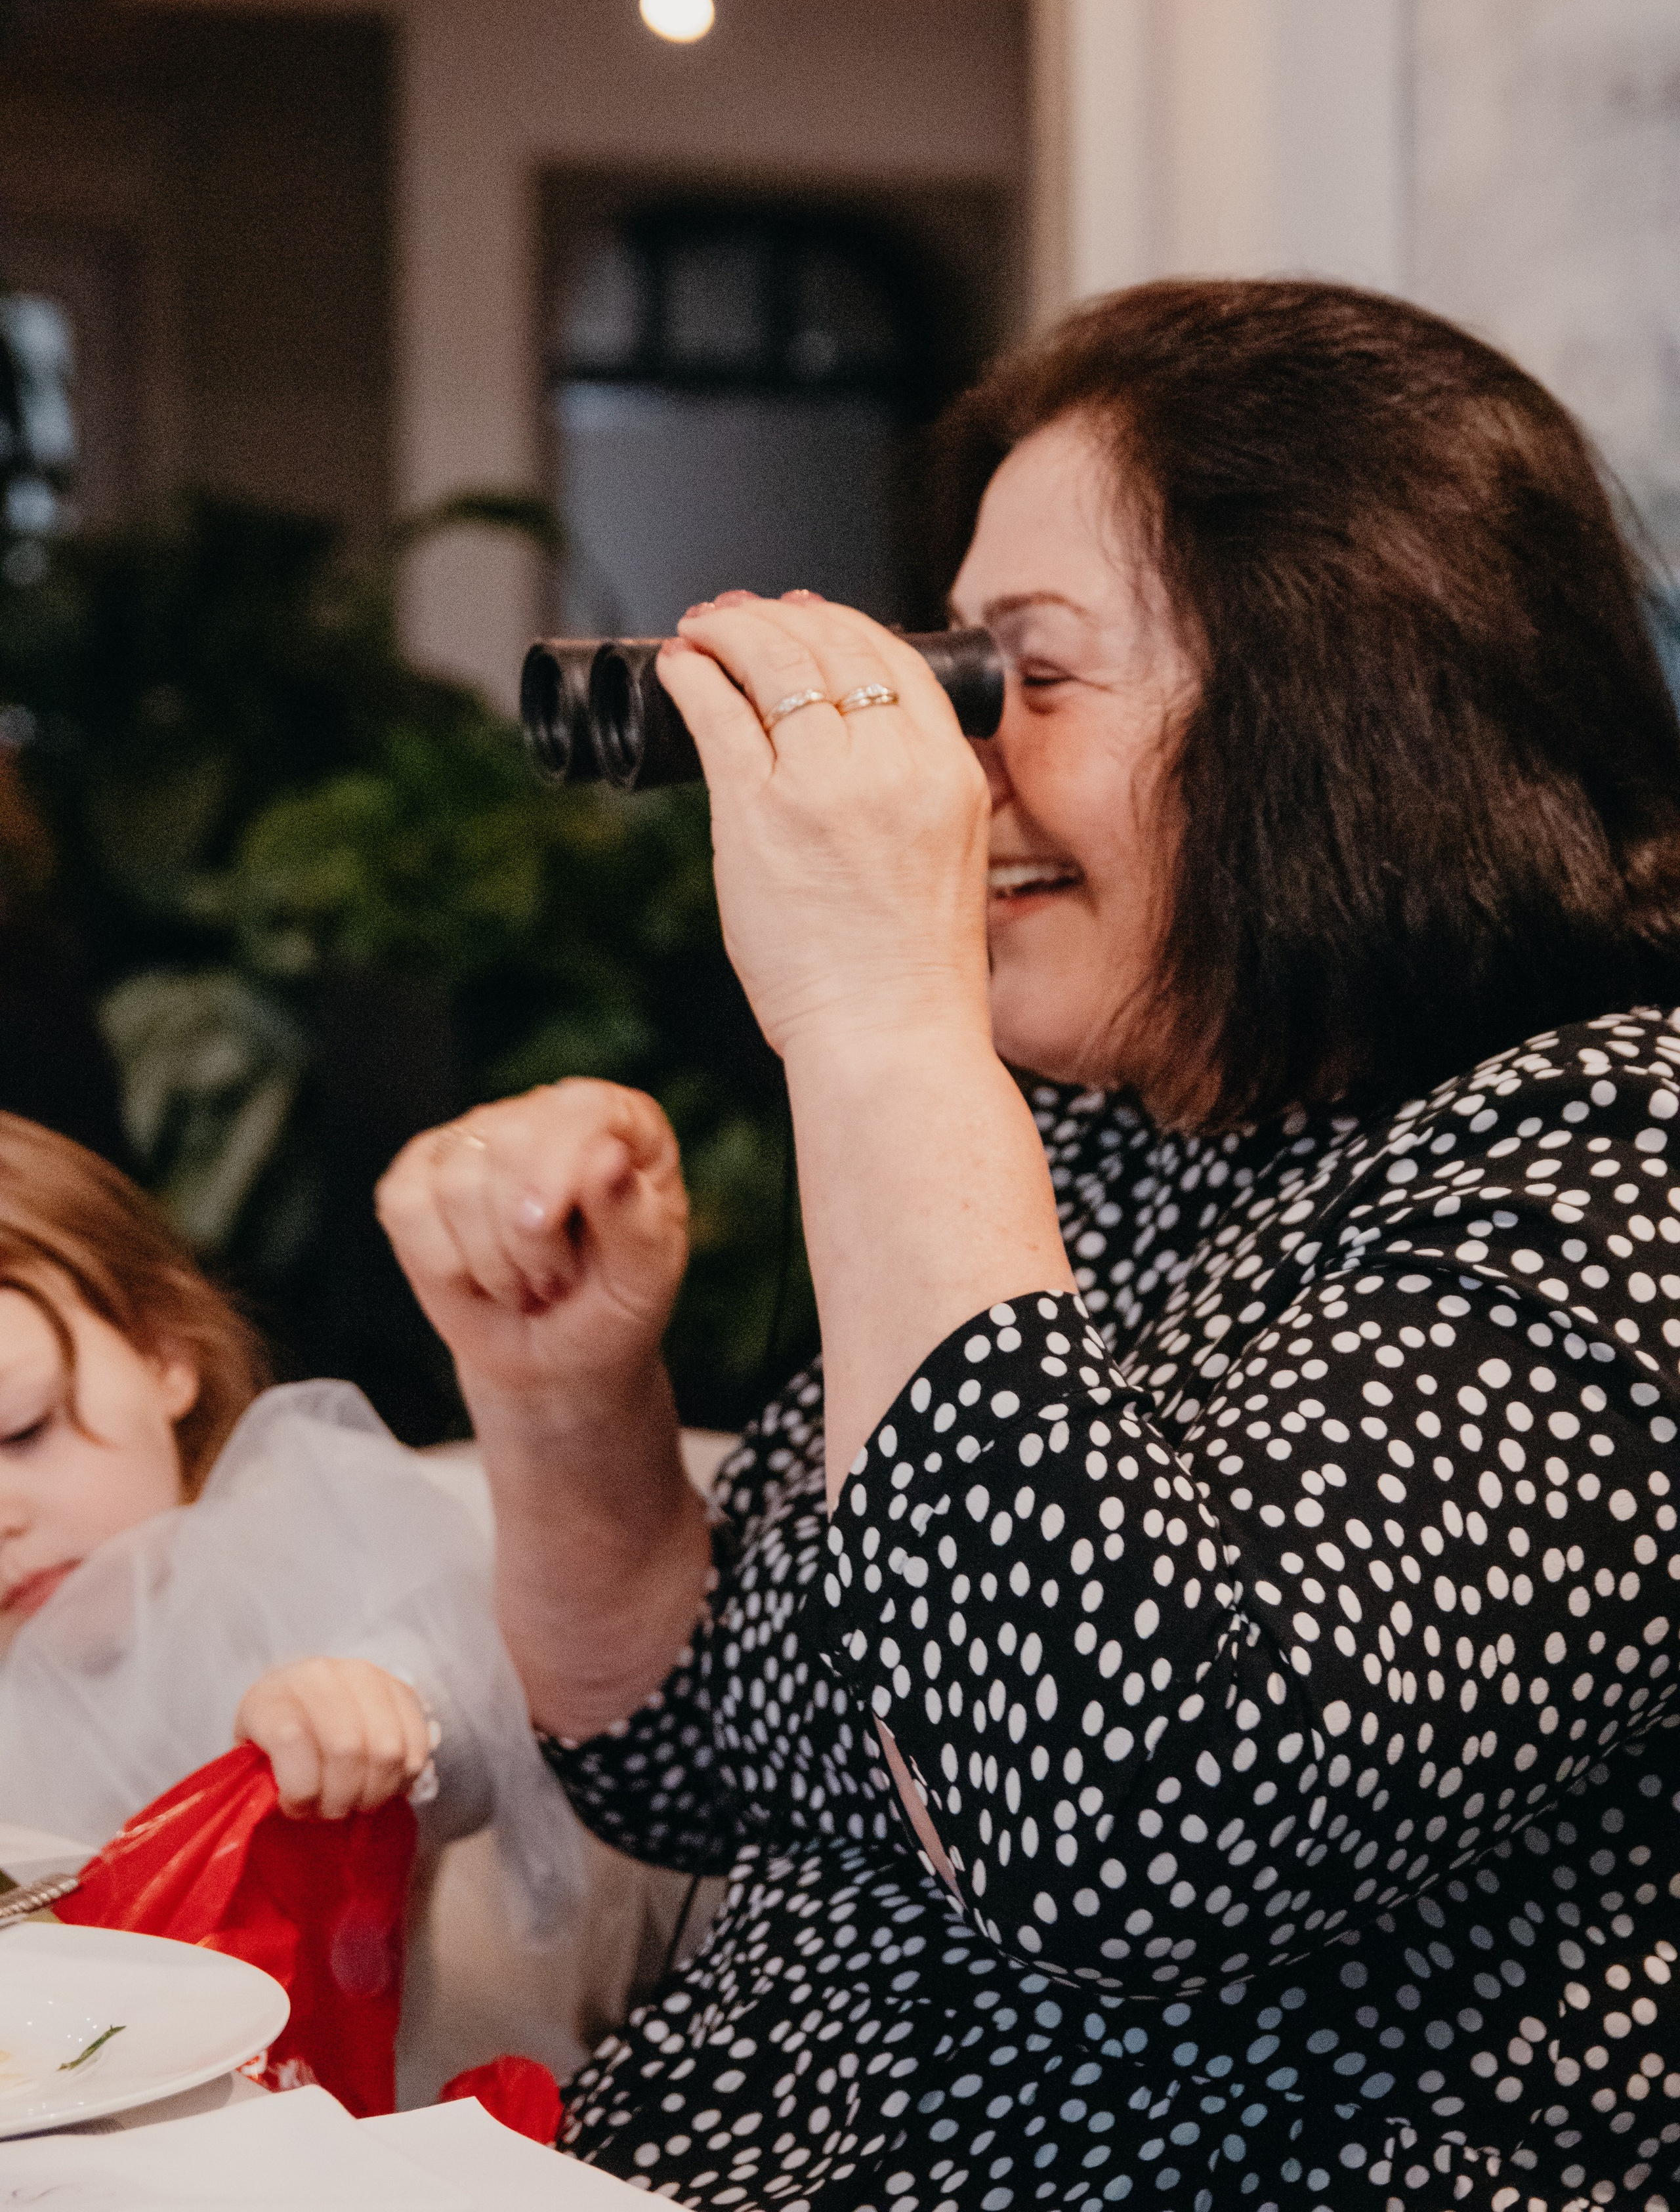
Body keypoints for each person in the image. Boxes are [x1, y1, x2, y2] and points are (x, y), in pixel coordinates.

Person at [377, 280, 1680, 2212]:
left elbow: (1120, 1822)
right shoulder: (1069, 1127)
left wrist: (881, 1028)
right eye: (948, 669)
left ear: (1347, 705)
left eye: (1021, 680)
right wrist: (569, 1393)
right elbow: (700, 1757)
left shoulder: (1612, 1150)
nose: (955, 764)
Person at [0, 1110, 572, 1909]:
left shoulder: (292, 1533)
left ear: (164, 1353)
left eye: (24, 1431)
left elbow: (477, 1716)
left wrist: (367, 1705)